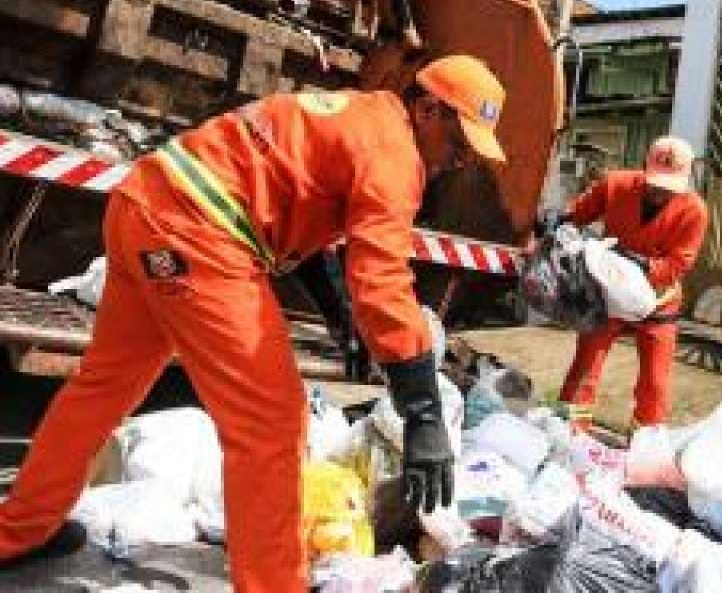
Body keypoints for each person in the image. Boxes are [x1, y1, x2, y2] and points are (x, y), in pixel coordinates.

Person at [0, 54, 507, 593]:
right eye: (459, 144)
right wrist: (424, 414)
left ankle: (18, 533)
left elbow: (304, 226)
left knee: (101, 390)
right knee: (272, 423)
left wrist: (342, 321)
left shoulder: (360, 118)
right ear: (429, 108)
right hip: (197, 232)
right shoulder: (394, 155)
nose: (460, 161)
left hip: (147, 203)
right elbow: (382, 282)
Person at [555, 136, 707, 431]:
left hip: (658, 303)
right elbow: (577, 215)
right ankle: (569, 432)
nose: (660, 193)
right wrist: (560, 228)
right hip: (608, 295)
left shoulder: (694, 211)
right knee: (585, 366)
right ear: (642, 168)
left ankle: (644, 442)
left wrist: (643, 264)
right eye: (655, 184)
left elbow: (679, 264)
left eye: (669, 188)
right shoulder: (615, 185)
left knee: (655, 382)